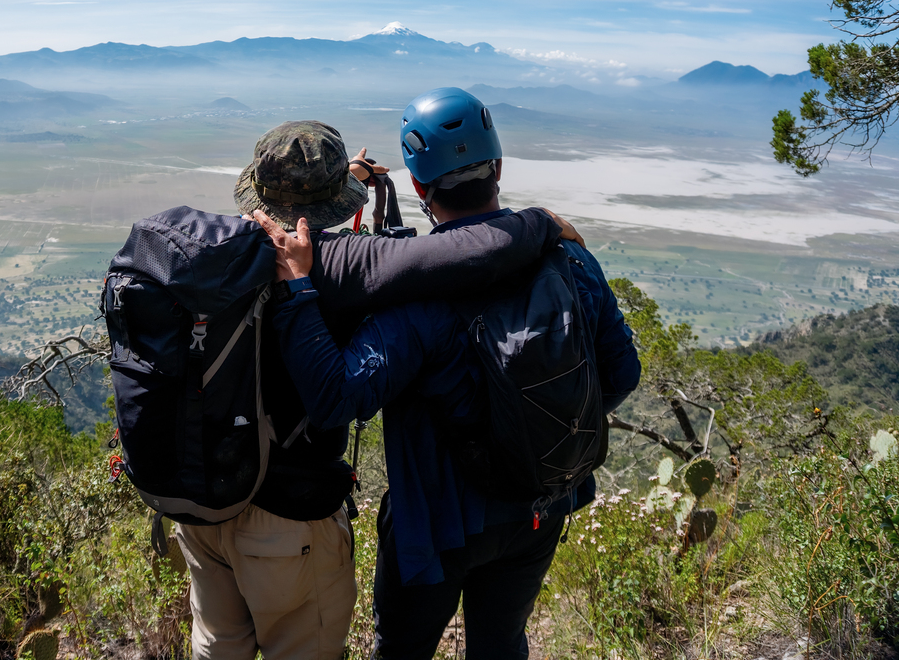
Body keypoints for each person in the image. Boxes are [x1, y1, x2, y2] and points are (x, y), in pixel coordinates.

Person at [171, 118, 585, 660]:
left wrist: (348, 181)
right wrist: (540, 223)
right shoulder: (343, 264)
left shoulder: (216, 252)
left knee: (219, 648)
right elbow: (457, 253)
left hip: (203, 495)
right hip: (286, 513)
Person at [256, 88, 641, 659]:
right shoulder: (571, 257)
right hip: (540, 501)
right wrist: (529, 426)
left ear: (418, 186)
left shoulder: (417, 297)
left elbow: (336, 397)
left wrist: (299, 291)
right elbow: (622, 373)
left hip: (433, 527)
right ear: (500, 168)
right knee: (501, 642)